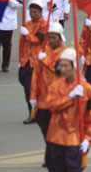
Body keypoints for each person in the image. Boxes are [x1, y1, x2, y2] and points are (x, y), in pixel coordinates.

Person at [44, 48, 91, 172]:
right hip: (55, 138)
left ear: (74, 67)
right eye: (61, 65)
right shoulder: (55, 86)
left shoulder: (87, 89)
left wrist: (88, 139)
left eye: (65, 66)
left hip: (75, 139)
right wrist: (71, 97)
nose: (62, 69)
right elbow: (52, 106)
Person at [30, 22, 67, 158]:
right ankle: (51, 149)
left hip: (60, 98)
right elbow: (36, 75)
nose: (51, 40)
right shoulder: (43, 52)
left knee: (56, 128)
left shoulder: (65, 53)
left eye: (54, 37)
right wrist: (33, 96)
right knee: (43, 123)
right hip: (44, 97)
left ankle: (53, 154)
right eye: (49, 37)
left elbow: (58, 67)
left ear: (60, 38)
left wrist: (44, 59)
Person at [19, 0, 48, 124]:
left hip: (38, 62)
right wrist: (21, 59)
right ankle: (32, 110)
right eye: (31, 12)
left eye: (35, 12)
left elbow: (39, 40)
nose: (32, 14)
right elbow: (22, 44)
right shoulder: (26, 24)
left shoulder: (44, 25)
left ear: (41, 12)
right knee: (26, 87)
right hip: (26, 61)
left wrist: (28, 34)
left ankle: (34, 113)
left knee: (34, 88)